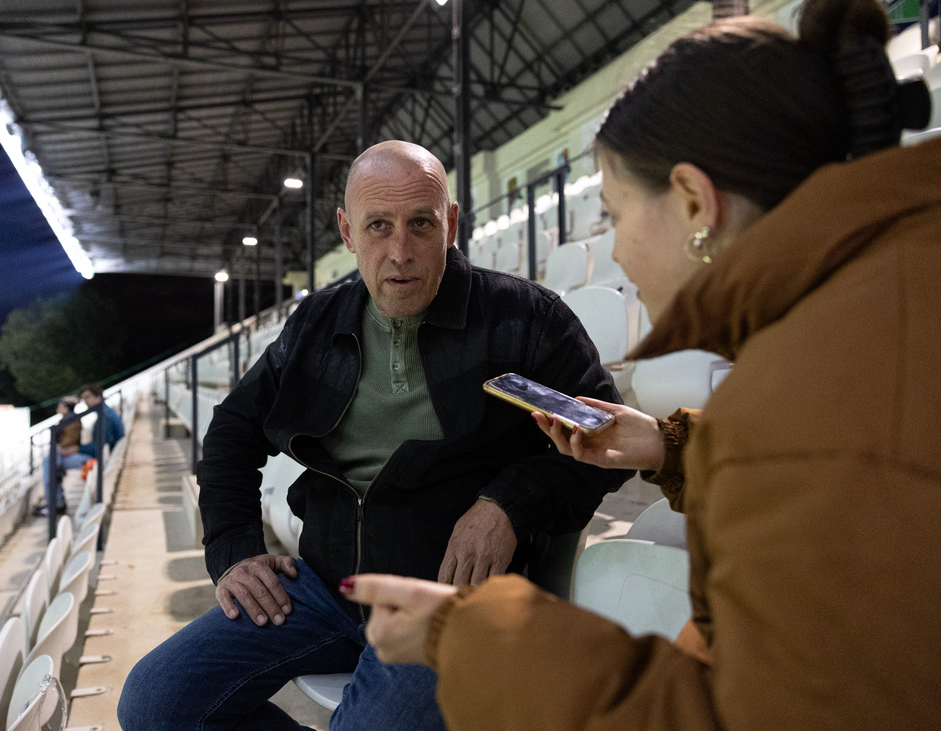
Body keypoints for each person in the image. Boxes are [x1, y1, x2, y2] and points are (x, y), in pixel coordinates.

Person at [345, 1, 941, 728]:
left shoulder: (811, 388)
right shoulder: (884, 301)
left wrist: (468, 634)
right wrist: (673, 445)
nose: (617, 251)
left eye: (619, 213)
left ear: (692, 201)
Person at [117, 140, 632, 730]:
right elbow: (233, 428)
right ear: (347, 232)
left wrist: (506, 505)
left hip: (449, 598)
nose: (400, 252)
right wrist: (235, 550)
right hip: (324, 586)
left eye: (421, 224)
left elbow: (606, 444)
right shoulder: (317, 324)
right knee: (155, 703)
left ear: (453, 224)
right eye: (379, 226)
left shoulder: (524, 318)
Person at [38, 396, 89, 515]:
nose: (58, 408)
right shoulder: (67, 420)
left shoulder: (73, 421)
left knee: (50, 468)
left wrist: (58, 446)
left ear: (67, 408)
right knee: (51, 468)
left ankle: (55, 505)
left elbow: (68, 442)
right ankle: (56, 503)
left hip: (71, 455)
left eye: (61, 406)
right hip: (64, 454)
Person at [77, 382, 124, 460]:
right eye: (84, 398)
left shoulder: (105, 416)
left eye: (88, 397)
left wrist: (78, 449)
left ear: (98, 396)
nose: (86, 401)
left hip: (110, 458)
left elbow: (102, 447)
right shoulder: (105, 413)